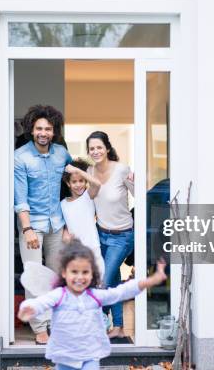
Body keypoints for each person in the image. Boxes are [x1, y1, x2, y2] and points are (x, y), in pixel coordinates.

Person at [17, 240, 167, 370]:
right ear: (64, 273)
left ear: (92, 274)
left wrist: (151, 280)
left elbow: (121, 292)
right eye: (74, 271)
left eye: (85, 272)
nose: (79, 277)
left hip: (89, 357)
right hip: (63, 357)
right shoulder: (59, 295)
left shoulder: (95, 296)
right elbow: (41, 302)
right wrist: (29, 307)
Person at [14, 104, 72, 344]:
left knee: (57, 276)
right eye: (39, 128)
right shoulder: (21, 157)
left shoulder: (61, 153)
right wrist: (26, 229)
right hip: (33, 225)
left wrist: (70, 224)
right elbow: (20, 198)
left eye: (48, 129)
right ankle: (39, 327)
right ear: (31, 129)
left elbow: (74, 185)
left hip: (57, 224)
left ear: (53, 130)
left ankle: (55, 323)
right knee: (35, 276)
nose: (43, 133)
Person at [85, 131, 134, 339]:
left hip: (122, 235)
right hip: (100, 234)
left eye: (99, 147)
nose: (95, 151)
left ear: (107, 148)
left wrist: (134, 182)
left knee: (103, 281)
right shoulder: (89, 171)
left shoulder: (122, 169)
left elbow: (138, 193)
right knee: (112, 280)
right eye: (91, 148)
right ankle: (118, 327)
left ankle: (99, 323)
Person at [60, 159, 105, 279]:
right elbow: (66, 222)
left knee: (97, 281)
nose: (78, 184)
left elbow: (97, 184)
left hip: (93, 248)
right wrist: (65, 232)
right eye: (74, 182)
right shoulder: (63, 204)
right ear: (68, 183)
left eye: (81, 181)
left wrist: (76, 170)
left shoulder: (87, 196)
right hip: (75, 251)